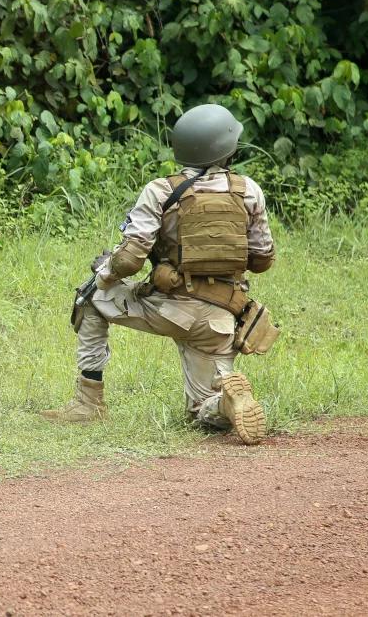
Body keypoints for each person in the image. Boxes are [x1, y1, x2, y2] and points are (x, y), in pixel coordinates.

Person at [41, 103, 277, 445]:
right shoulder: (249, 190)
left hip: (170, 308)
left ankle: (88, 402)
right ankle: (225, 402)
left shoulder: (161, 190)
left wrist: (104, 271)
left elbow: (130, 260)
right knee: (201, 409)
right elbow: (263, 259)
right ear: (227, 149)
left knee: (90, 297)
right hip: (222, 319)